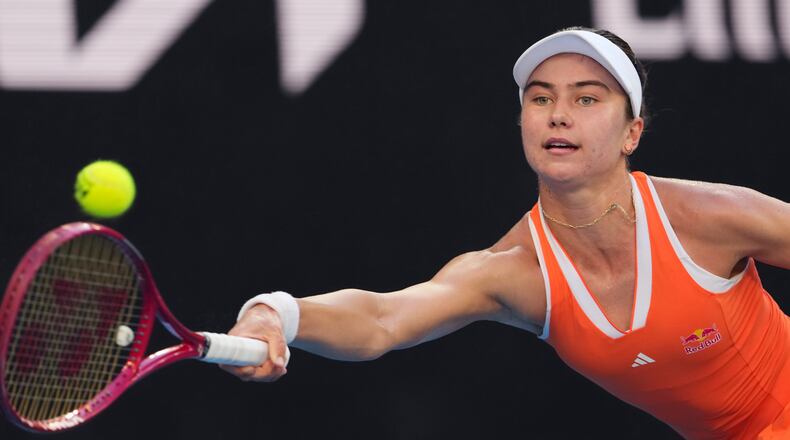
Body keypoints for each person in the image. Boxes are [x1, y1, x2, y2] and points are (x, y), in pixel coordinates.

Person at [220, 27, 790, 439]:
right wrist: (277, 314)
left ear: (631, 133)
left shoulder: (707, 216)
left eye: (586, 99)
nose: (558, 114)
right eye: (540, 98)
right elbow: (381, 320)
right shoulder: (515, 272)